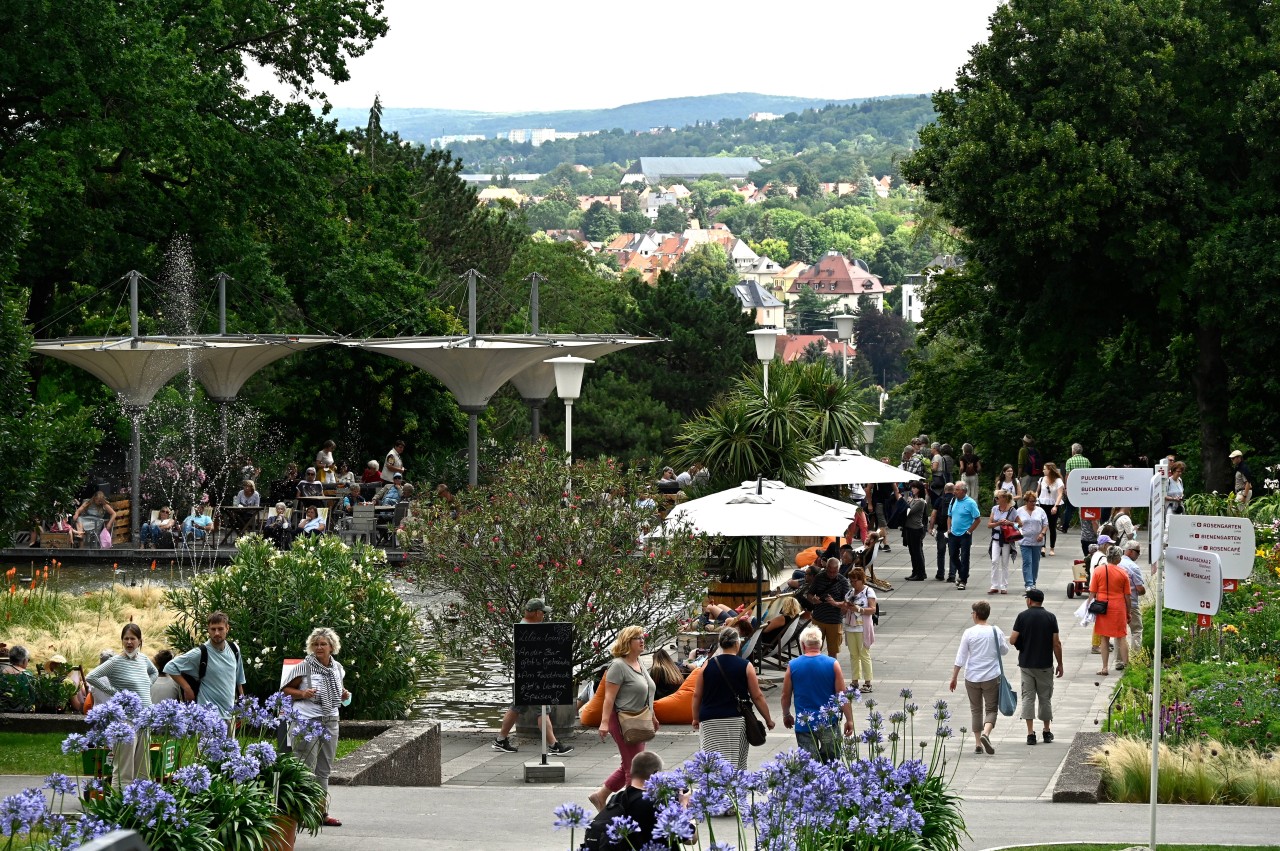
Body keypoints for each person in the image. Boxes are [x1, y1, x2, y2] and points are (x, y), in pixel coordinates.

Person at [282, 627, 350, 828]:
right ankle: (302, 813)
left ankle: (321, 812)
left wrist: (344, 695)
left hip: (330, 720)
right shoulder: (304, 667)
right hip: (306, 721)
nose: (319, 647)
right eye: (315, 644)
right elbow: (285, 690)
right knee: (305, 767)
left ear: (332, 647)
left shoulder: (337, 668)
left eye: (323, 644)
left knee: (324, 769)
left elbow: (339, 691)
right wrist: (303, 694)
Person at [492, 599, 575, 756]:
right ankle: (553, 745)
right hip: (534, 678)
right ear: (537, 613)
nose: (544, 615)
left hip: (527, 676)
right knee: (542, 710)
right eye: (543, 612)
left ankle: (500, 740)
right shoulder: (528, 631)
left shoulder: (526, 628)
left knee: (517, 706)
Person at [590, 626, 657, 812]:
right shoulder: (618, 666)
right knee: (634, 769)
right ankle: (632, 809)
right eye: (637, 638)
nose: (642, 640)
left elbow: (648, 692)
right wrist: (604, 723)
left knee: (630, 763)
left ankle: (601, 795)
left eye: (642, 637)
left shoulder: (639, 663)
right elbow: (608, 698)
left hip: (640, 720)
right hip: (623, 720)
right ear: (627, 642)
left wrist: (653, 716)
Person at [690, 627, 774, 769]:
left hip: (710, 720)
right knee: (735, 763)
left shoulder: (707, 665)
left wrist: (695, 717)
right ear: (737, 643)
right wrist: (768, 719)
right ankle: (734, 790)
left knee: (711, 764)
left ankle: (713, 790)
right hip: (735, 719)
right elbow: (757, 696)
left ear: (720, 644)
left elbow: (697, 694)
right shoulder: (746, 666)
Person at [86, 624, 158, 788]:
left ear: (140, 641)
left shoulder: (144, 659)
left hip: (143, 722)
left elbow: (153, 673)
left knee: (143, 769)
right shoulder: (115, 662)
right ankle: (120, 803)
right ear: (122, 641)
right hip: (126, 722)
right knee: (124, 769)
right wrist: (113, 692)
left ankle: (141, 805)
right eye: (126, 638)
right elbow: (92, 676)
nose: (129, 642)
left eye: (133, 638)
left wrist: (147, 686)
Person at [584, 752, 689, 851]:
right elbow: (691, 839)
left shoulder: (616, 799)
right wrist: (684, 806)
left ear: (631, 772)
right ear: (656, 774)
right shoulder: (657, 803)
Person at [781, 626, 853, 763]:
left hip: (805, 723)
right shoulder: (833, 664)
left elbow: (785, 695)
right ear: (821, 644)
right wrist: (849, 719)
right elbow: (841, 694)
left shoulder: (793, 665)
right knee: (832, 762)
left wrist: (786, 714)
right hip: (828, 722)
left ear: (803, 645)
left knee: (809, 764)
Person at [949, 601, 1010, 755]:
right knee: (991, 708)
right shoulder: (996, 631)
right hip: (991, 676)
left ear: (976, 614)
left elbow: (961, 656)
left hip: (972, 677)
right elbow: (1004, 651)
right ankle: (986, 734)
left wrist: (954, 677)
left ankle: (978, 744)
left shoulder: (969, 633)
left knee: (976, 710)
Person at [164, 611, 246, 719]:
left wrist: (243, 704)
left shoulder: (234, 649)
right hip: (207, 716)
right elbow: (170, 667)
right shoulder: (200, 652)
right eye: (213, 629)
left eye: (220, 629)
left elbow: (239, 678)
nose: (216, 633)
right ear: (208, 630)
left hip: (230, 714)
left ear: (227, 628)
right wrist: (187, 688)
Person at [1008, 588, 1063, 746]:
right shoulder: (1050, 617)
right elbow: (1056, 643)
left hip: (1026, 664)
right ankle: (1046, 731)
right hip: (1045, 665)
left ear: (1030, 601)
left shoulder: (1022, 617)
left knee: (1028, 698)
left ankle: (1030, 734)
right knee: (1045, 698)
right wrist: (1060, 663)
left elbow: (1012, 640)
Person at [1088, 547, 1132, 676]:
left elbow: (1092, 592)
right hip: (1118, 607)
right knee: (1121, 637)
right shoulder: (1123, 573)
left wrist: (1088, 608)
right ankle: (1127, 665)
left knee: (1104, 638)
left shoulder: (1098, 571)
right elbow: (1127, 596)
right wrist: (1128, 612)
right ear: (1118, 558)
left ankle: (1105, 667)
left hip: (1102, 607)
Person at [839, 567, 877, 692]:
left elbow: (873, 609)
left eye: (855, 581)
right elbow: (843, 610)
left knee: (864, 654)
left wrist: (859, 609)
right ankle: (855, 681)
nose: (853, 583)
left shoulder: (868, 592)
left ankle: (867, 682)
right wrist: (845, 607)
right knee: (853, 655)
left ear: (862, 580)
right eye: (851, 581)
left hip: (862, 627)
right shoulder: (849, 593)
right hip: (850, 627)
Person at [804, 557, 850, 658]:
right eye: (830, 571)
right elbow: (809, 594)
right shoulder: (819, 577)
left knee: (833, 651)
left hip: (834, 620)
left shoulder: (843, 581)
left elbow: (847, 603)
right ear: (826, 568)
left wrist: (835, 603)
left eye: (834, 572)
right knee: (814, 649)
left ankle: (831, 672)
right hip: (819, 618)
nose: (832, 574)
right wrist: (813, 599)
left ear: (838, 569)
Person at [947, 481, 983, 591]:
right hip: (953, 533)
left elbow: (977, 519)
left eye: (957, 490)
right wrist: (948, 529)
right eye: (954, 489)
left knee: (965, 557)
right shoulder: (953, 500)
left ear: (963, 491)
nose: (954, 492)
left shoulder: (970, 503)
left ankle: (963, 580)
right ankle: (964, 573)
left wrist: (969, 531)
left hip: (965, 534)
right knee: (952, 555)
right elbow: (949, 516)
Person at [1015, 493, 1049, 590]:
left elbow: (1045, 524)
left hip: (1037, 541)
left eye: (1034, 501)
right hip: (1024, 540)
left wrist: (1042, 534)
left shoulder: (1040, 511)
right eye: (1031, 501)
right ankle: (1028, 583)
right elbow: (1015, 524)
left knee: (1035, 562)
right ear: (1026, 501)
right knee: (1027, 562)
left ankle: (1033, 581)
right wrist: (1019, 530)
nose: (1033, 503)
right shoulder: (1019, 511)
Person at [987, 490, 1018, 595]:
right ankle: (994, 585)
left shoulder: (1012, 510)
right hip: (996, 538)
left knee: (1005, 563)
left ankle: (1004, 586)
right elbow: (989, 524)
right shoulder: (995, 509)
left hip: (1006, 539)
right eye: (996, 498)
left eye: (997, 498)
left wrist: (1010, 523)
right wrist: (998, 523)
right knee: (994, 561)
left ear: (1004, 499)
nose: (995, 499)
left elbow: (1020, 524)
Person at [1120, 541, 1147, 654]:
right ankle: (1136, 657)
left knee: (1120, 633)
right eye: (1138, 552)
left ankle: (1119, 660)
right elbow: (1140, 589)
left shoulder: (1117, 563)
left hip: (1117, 603)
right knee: (1136, 630)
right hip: (1131, 603)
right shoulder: (1133, 567)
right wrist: (1142, 592)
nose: (1139, 554)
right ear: (1130, 551)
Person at [1060, 443, 1092, 532]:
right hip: (1084, 487)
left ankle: (1065, 527)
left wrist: (1066, 487)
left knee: (1069, 509)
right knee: (1084, 507)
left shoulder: (1069, 461)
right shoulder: (1086, 461)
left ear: (1073, 451)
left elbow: (1067, 475)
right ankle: (1085, 527)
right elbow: (1089, 475)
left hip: (1073, 488)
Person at [901, 480, 929, 581]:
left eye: (915, 488)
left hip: (916, 529)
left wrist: (906, 502)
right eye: (912, 487)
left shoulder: (921, 501)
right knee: (912, 551)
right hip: (909, 528)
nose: (912, 489)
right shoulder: (913, 499)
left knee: (917, 552)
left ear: (919, 489)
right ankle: (915, 571)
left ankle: (920, 573)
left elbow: (909, 511)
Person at [1036, 462, 1065, 556]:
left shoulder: (1058, 481)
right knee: (1042, 525)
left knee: (1052, 527)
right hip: (1042, 504)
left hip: (1053, 504)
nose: (1043, 470)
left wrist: (1056, 506)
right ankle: (1042, 546)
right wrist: (1035, 501)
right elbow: (1037, 492)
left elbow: (1060, 494)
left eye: (1045, 469)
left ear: (1050, 470)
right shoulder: (1041, 479)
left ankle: (1052, 548)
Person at [930, 482, 956, 581]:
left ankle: (940, 574)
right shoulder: (956, 500)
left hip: (941, 529)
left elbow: (933, 515)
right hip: (953, 530)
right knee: (953, 553)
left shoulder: (939, 500)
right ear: (954, 490)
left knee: (941, 553)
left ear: (944, 490)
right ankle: (952, 575)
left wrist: (931, 527)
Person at [867, 476, 898, 553]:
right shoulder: (876, 476)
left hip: (887, 503)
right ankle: (886, 544)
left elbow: (896, 489)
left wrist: (899, 502)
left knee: (880, 524)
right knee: (882, 524)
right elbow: (868, 489)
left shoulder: (890, 477)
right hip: (878, 503)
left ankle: (874, 542)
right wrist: (869, 504)